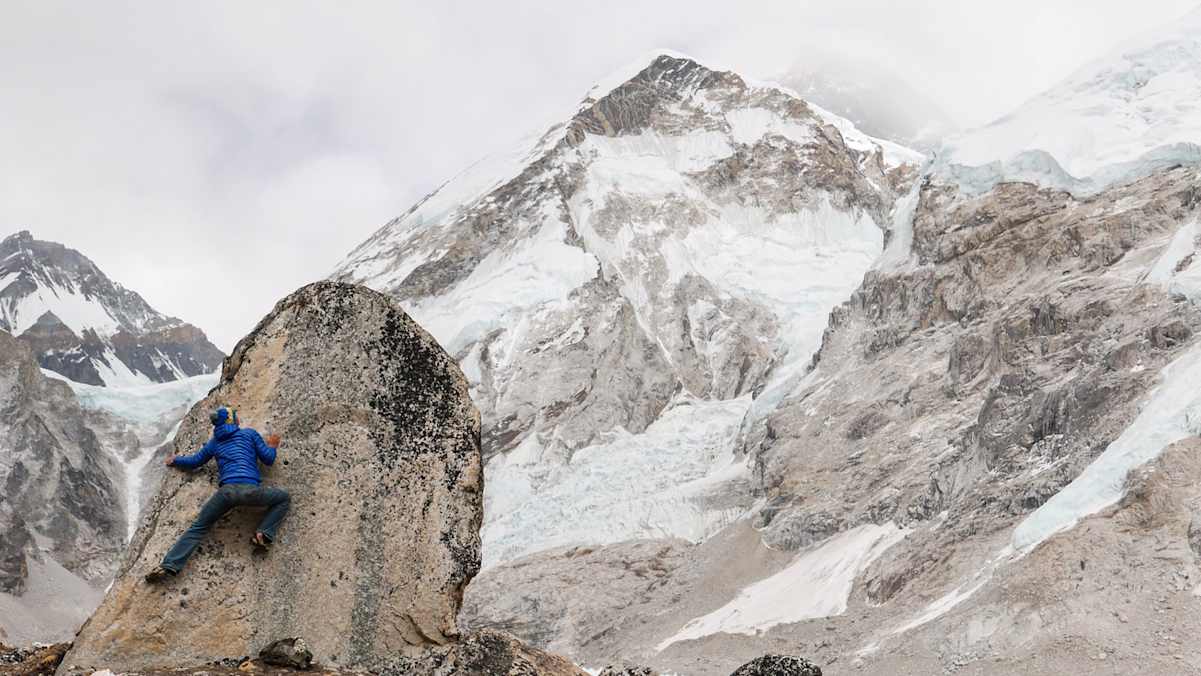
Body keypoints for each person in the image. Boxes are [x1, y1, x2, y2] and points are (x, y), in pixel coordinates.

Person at [144, 406, 289, 583]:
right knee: (283, 498)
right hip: (251, 490)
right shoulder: (249, 434)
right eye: (235, 416)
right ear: (233, 420)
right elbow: (268, 459)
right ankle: (264, 533)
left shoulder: (214, 443)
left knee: (199, 527)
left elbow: (195, 461)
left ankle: (169, 564)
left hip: (226, 492)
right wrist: (273, 446)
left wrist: (176, 460)